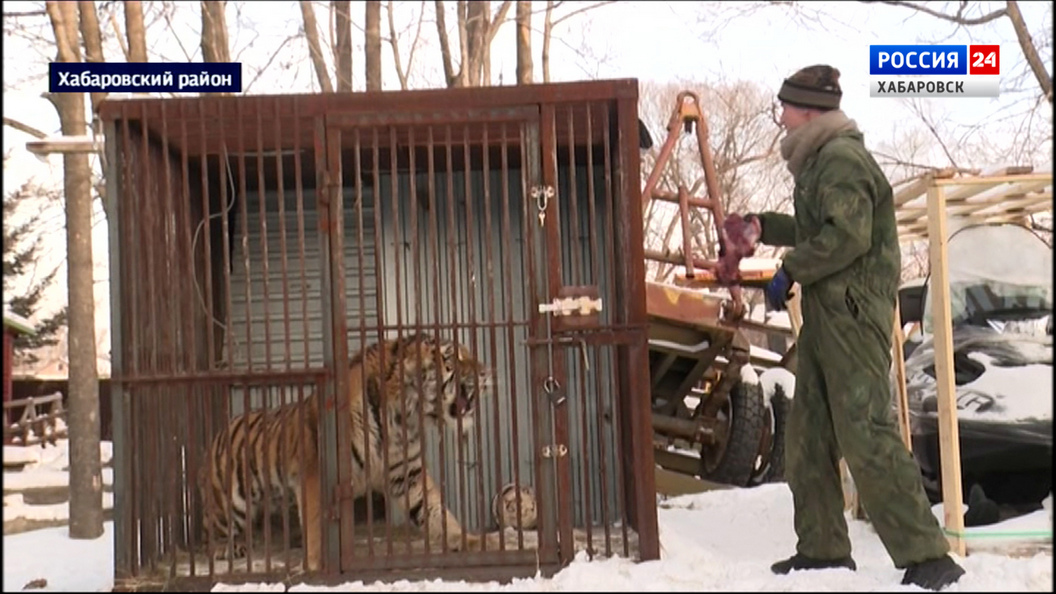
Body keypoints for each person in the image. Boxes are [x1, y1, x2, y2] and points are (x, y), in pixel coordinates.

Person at [727, 64, 966, 591]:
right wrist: (766, 226)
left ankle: (929, 555)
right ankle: (822, 547)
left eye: (785, 108)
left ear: (808, 111)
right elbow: (821, 226)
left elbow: (848, 238)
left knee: (866, 432)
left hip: (854, 314)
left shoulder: (840, 159)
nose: (781, 118)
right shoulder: (821, 163)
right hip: (828, 313)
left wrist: (791, 267)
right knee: (808, 432)